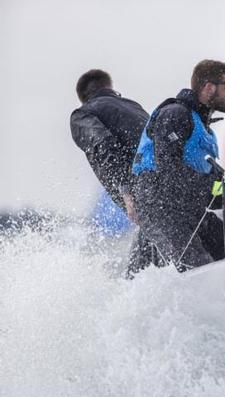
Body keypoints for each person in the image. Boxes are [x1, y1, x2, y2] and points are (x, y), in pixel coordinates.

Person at [132, 60, 225, 271]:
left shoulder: (203, 128)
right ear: (208, 87)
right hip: (160, 210)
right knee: (197, 267)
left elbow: (206, 193)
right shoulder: (175, 114)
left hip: (189, 212)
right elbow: (168, 170)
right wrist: (211, 187)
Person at [70, 69, 159, 275]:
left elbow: (104, 146)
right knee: (147, 273)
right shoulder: (134, 108)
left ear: (82, 97)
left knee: (137, 280)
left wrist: (126, 191)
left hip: (146, 199)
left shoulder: (83, 114)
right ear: (110, 87)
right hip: (169, 192)